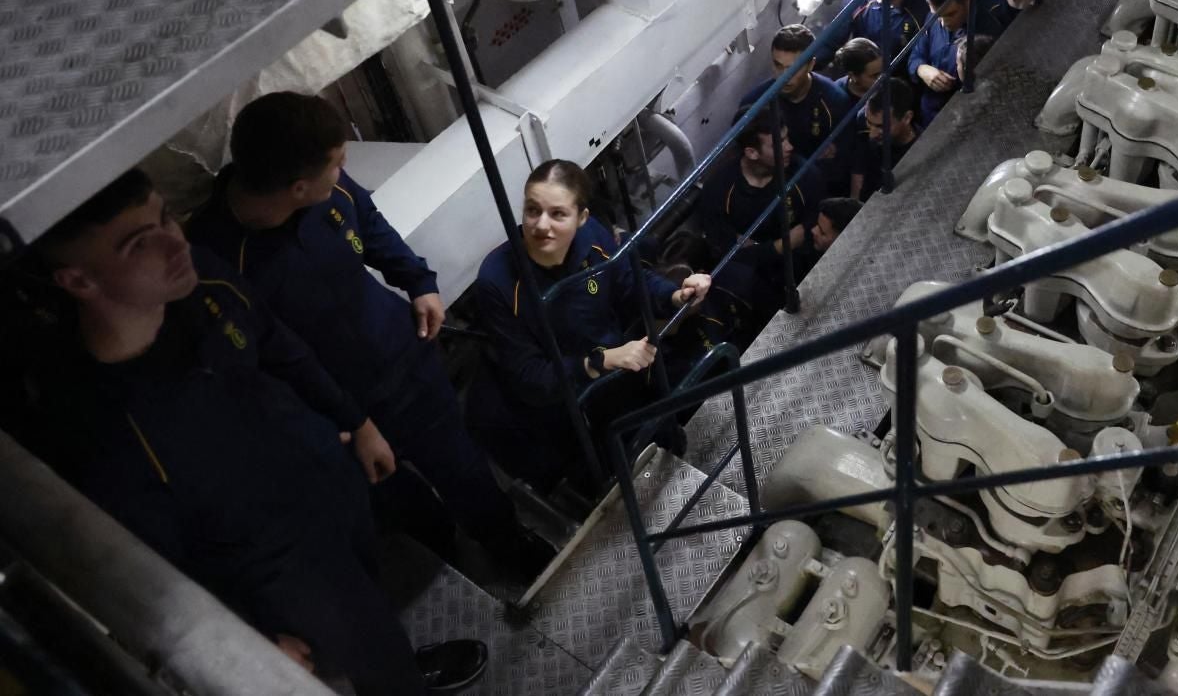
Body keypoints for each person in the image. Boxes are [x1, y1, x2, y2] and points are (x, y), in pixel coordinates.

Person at [12, 171, 485, 695]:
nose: (175, 243)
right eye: (140, 243)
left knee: (373, 602)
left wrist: (356, 422)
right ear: (79, 281)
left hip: (329, 477)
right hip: (272, 565)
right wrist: (251, 631)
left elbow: (282, 349)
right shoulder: (98, 429)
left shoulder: (203, 284)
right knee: (366, 655)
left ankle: (401, 663)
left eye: (166, 217)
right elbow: (152, 561)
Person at [186, 92, 537, 576]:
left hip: (406, 364)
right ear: (297, 187)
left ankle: (507, 546)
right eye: (337, 163)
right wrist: (352, 422)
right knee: (402, 504)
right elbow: (266, 367)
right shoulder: (214, 263)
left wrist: (418, 281)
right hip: (341, 417)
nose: (344, 167)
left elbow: (368, 223)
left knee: (464, 470)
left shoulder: (327, 191)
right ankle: (447, 566)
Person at [468, 161, 712, 490]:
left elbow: (630, 285)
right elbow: (529, 376)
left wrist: (677, 295)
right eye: (532, 210)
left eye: (558, 214)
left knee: (669, 424)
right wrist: (600, 362)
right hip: (564, 403)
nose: (541, 225)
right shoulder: (497, 282)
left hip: (618, 363)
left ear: (581, 218)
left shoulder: (594, 236)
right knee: (615, 474)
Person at [697, 120, 824, 264]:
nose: (789, 147)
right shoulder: (719, 188)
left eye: (787, 138)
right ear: (752, 153)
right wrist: (777, 247)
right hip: (751, 271)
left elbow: (814, 226)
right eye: (778, 143)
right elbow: (724, 247)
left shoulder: (804, 174)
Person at [738, 24, 851, 163]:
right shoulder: (753, 105)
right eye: (778, 65)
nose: (784, 76)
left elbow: (847, 157)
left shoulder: (834, 101)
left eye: (793, 68)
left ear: (811, 65)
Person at [908, 0, 1008, 125]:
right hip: (929, 112)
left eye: (950, 14)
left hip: (963, 116)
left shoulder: (987, 32)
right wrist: (921, 69)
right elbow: (915, 55)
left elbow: (989, 88)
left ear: (967, 1)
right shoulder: (932, 20)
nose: (942, 22)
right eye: (936, 16)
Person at [849, 77, 920, 201]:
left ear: (907, 118)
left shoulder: (920, 153)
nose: (872, 134)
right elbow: (859, 168)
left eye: (881, 126)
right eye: (869, 122)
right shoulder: (862, 119)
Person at [832, 37, 884, 103]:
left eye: (882, 71)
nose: (881, 78)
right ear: (852, 76)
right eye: (874, 76)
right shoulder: (835, 97)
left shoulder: (889, 89)